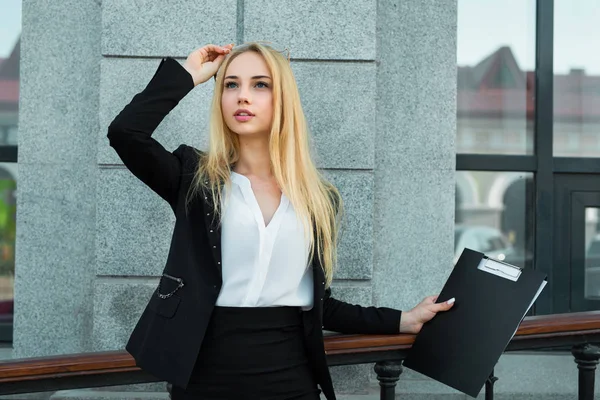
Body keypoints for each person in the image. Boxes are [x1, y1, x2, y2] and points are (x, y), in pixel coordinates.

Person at [107, 42, 455, 400]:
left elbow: (319, 304)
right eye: (231, 85)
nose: (243, 96)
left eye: (260, 84)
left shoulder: (319, 199)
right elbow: (125, 133)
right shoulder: (195, 180)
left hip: (292, 380)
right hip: (204, 380)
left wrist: (403, 320)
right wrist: (189, 76)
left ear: (282, 98)